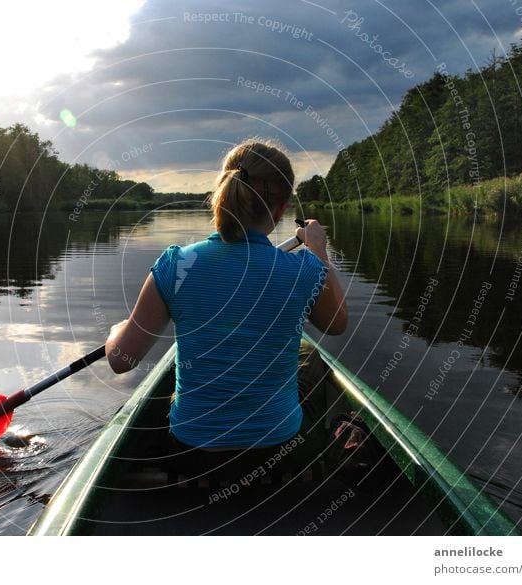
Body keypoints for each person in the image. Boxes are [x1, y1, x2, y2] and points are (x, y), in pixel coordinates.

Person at [106, 138, 348, 476]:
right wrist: (319, 251)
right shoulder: (302, 270)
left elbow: (120, 360)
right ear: (281, 209)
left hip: (191, 452)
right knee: (310, 358)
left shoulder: (175, 263)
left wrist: (116, 331)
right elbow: (337, 323)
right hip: (277, 449)